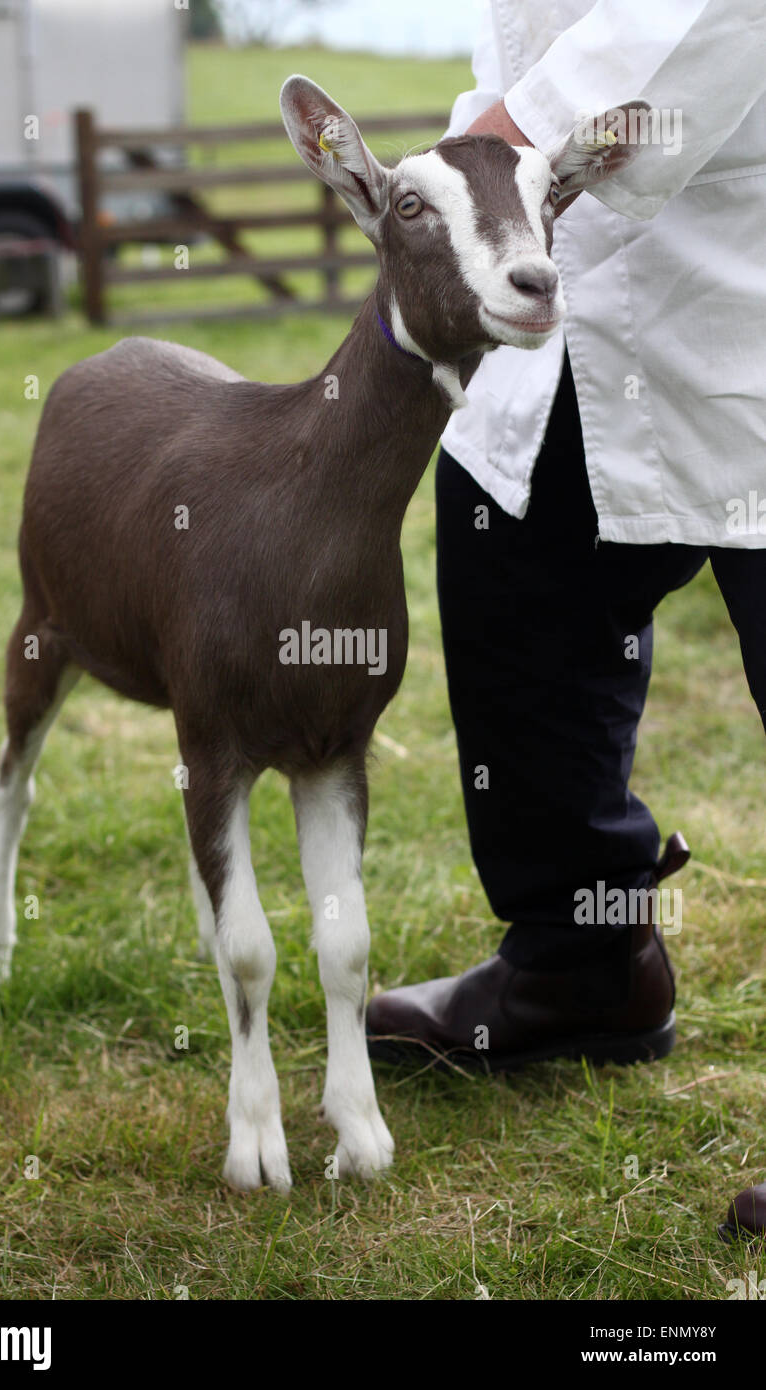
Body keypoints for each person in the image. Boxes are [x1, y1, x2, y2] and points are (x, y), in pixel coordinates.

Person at [366, 0, 766, 1239]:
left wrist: (500, 153)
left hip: (734, 266)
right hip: (557, 297)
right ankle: (581, 962)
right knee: (519, 610)